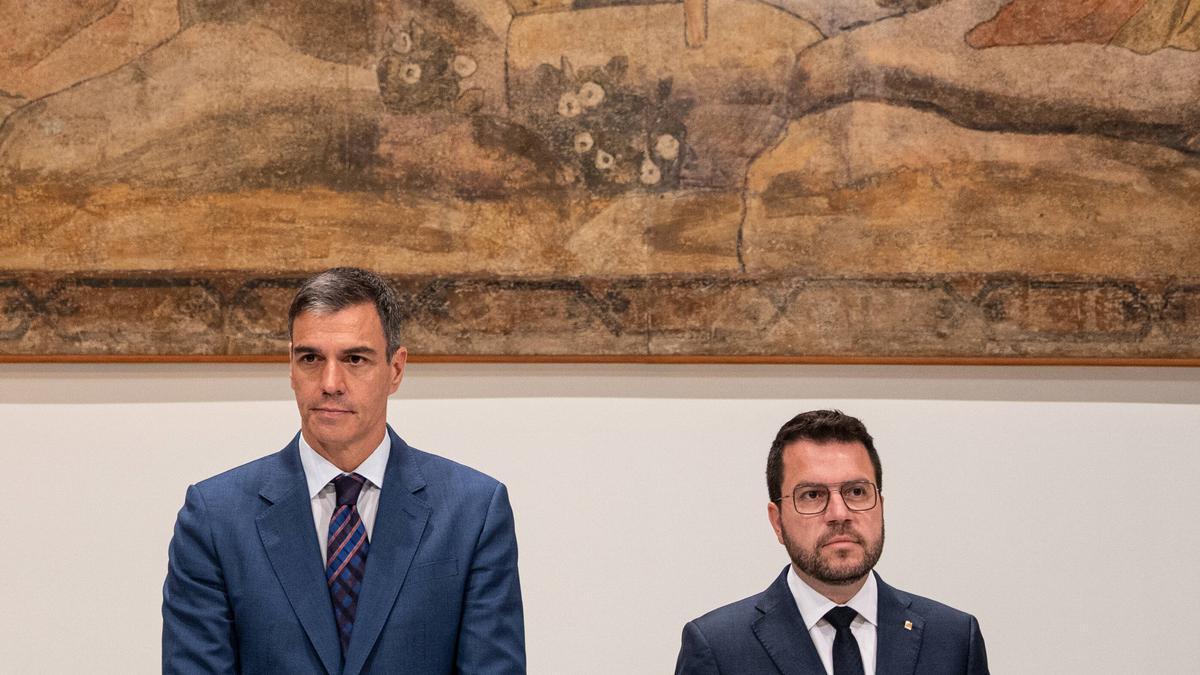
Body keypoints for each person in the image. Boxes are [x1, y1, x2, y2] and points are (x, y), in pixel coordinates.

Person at [162, 267, 525, 674]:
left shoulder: (473, 511)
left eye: (355, 359)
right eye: (311, 358)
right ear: (290, 367)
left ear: (396, 370)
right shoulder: (215, 516)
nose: (330, 382)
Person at [675, 410, 988, 674]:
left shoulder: (953, 639)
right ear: (777, 521)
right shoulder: (719, 647)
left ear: (881, 505)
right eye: (812, 495)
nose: (840, 513)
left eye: (856, 492)